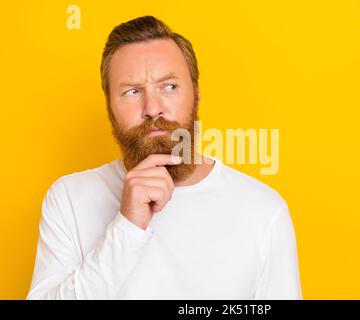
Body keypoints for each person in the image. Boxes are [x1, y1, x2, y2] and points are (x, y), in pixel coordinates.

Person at [27, 15, 302, 299]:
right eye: (132, 91)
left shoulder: (264, 212)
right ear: (109, 109)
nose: (152, 108)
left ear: (196, 96)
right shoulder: (69, 199)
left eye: (169, 87)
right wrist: (127, 227)